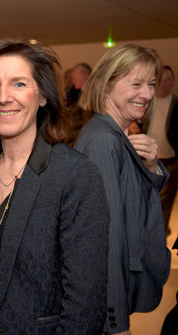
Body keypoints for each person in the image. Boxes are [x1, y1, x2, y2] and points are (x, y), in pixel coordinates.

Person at [0, 38, 109, 334]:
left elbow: (84, 305)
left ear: (43, 96)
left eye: (19, 84)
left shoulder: (75, 176)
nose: (3, 97)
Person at [74, 44, 171, 335]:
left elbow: (134, 197)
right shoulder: (104, 140)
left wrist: (152, 165)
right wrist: (115, 321)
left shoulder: (115, 132)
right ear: (105, 84)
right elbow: (108, 238)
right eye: (137, 83)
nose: (148, 94)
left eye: (151, 84)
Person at [141, 65, 178, 236]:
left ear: (173, 82)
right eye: (160, 80)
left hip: (170, 161)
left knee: (163, 201)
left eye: (168, 80)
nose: (163, 84)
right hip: (144, 160)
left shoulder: (176, 104)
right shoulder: (145, 102)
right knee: (145, 199)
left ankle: (159, 235)